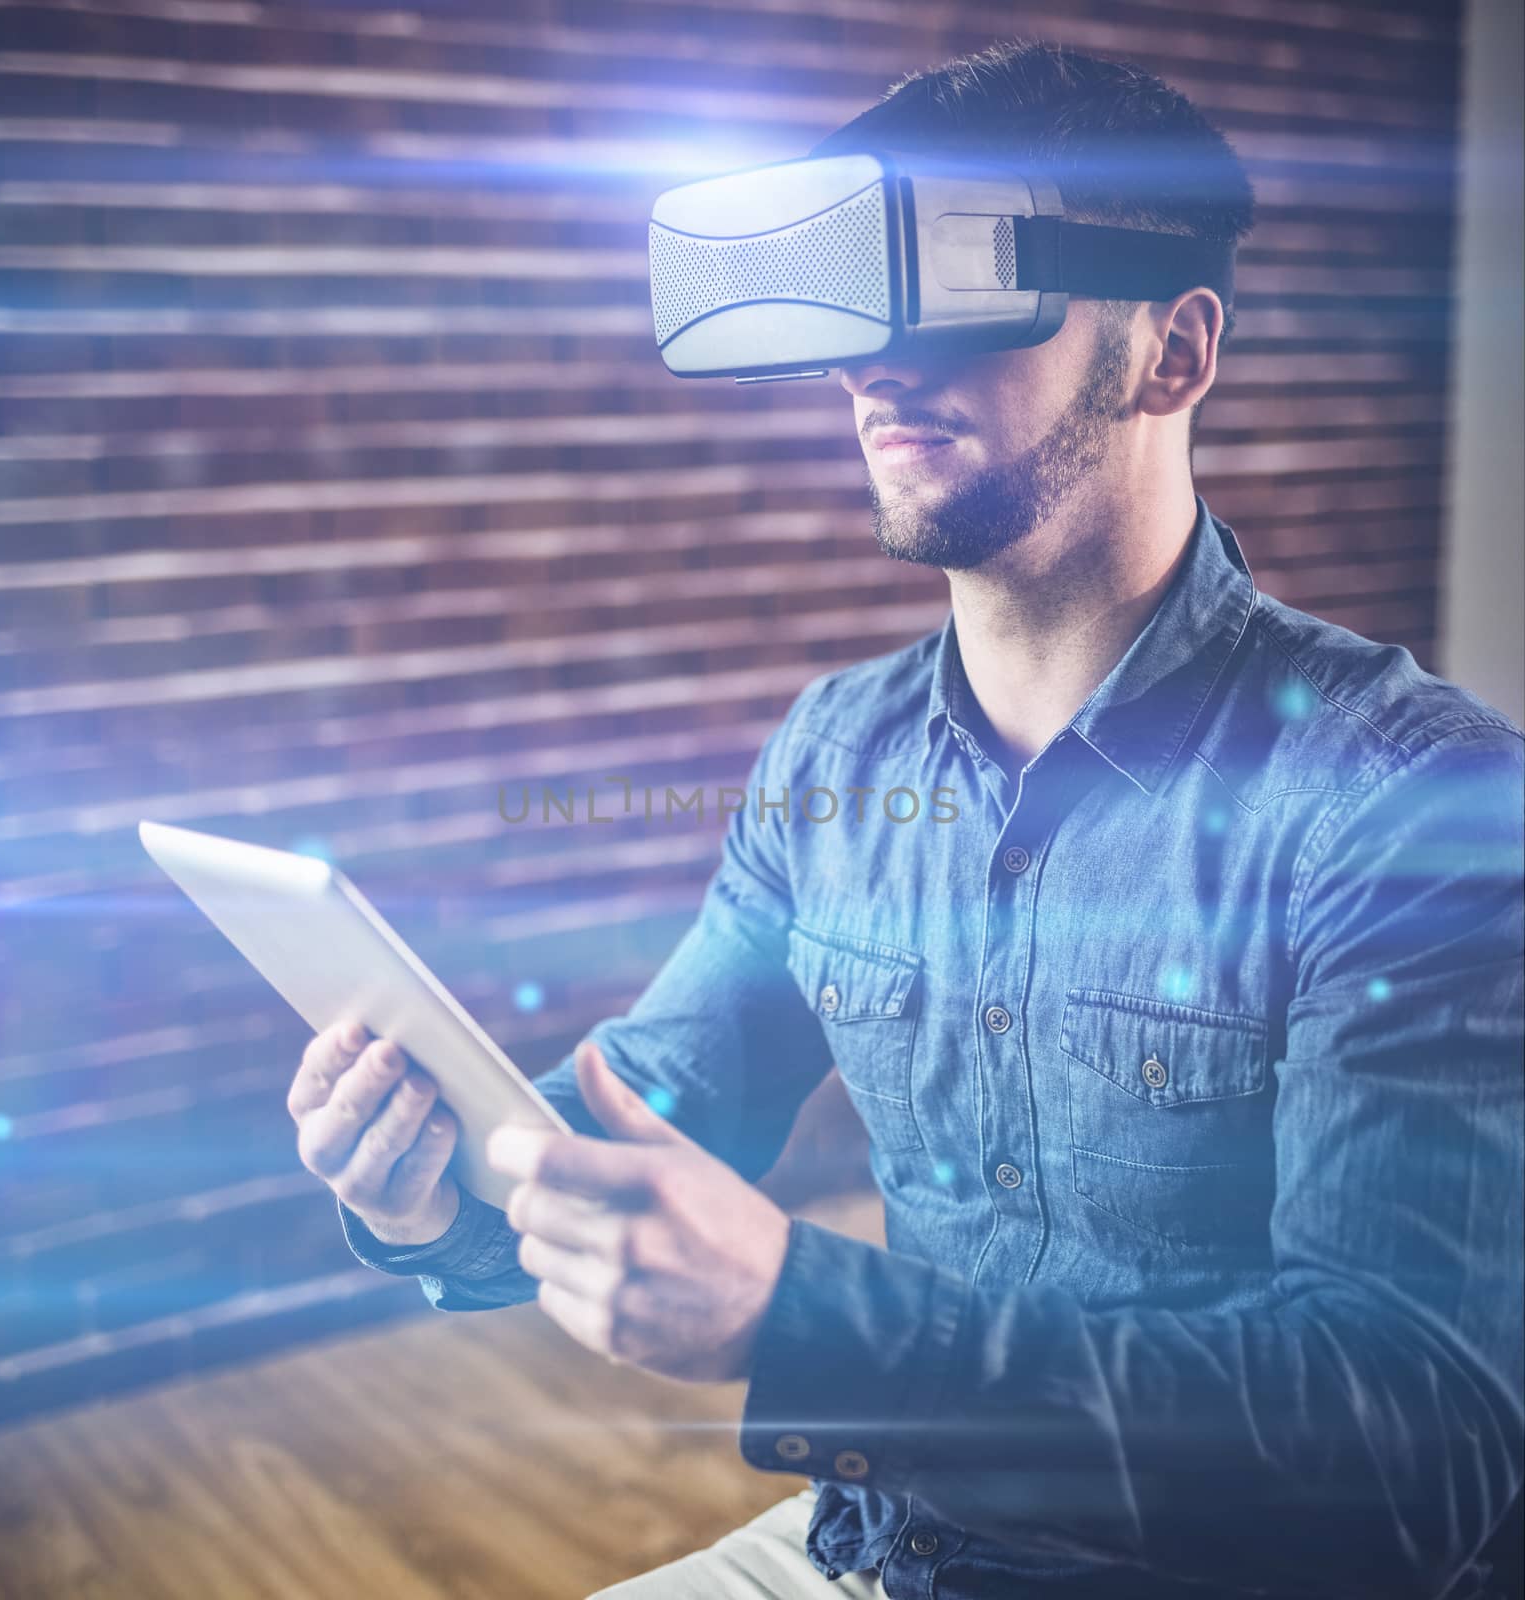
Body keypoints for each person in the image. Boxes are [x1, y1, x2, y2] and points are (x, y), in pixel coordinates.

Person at [285, 40, 1525, 1600]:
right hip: (883, 1547)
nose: (873, 364)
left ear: (1176, 351)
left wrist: (803, 1320)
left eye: (951, 284)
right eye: (849, 306)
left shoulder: (1411, 803)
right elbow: (644, 1105)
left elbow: (1407, 1463)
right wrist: (435, 1189)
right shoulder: (832, 755)